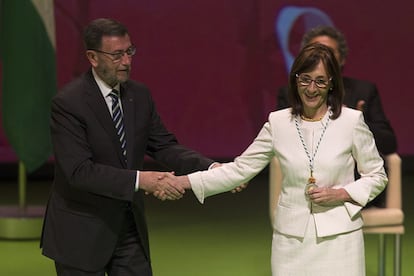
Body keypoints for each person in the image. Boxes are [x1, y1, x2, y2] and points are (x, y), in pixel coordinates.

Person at [169, 43, 387, 275]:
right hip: (291, 240)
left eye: (320, 81)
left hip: (341, 239)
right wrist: (183, 182)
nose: (311, 89)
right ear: (295, 80)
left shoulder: (351, 121)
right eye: (305, 79)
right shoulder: (278, 122)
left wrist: (341, 193)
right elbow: (239, 170)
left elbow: (377, 175)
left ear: (332, 83)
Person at [40, 18, 217, 276]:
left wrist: (211, 167)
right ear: (92, 57)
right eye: (117, 55)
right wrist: (141, 180)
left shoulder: (139, 95)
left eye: (129, 51)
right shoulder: (68, 104)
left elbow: (164, 146)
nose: (126, 61)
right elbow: (79, 171)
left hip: (128, 228)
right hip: (80, 232)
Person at [277, 25, 397, 207]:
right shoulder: (290, 94)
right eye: (315, 52)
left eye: (329, 52)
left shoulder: (363, 91)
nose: (322, 58)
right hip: (305, 183)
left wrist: (358, 124)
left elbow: (389, 143)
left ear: (342, 58)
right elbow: (279, 141)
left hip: (354, 184)